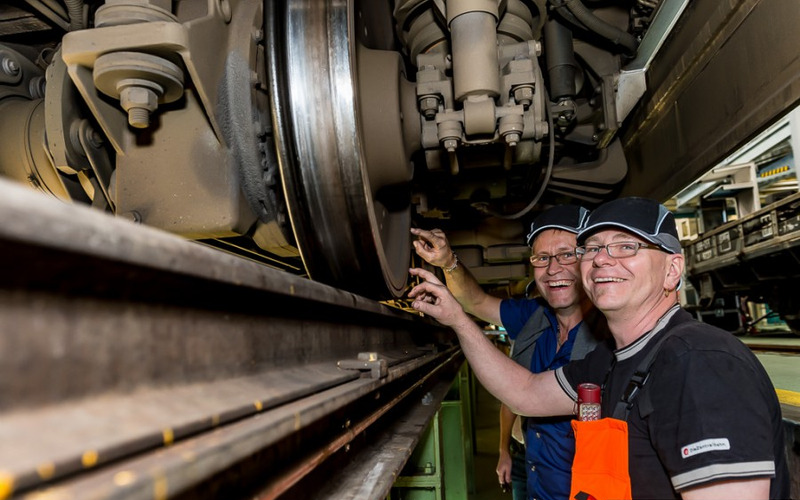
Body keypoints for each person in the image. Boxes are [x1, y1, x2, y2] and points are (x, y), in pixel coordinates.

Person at [408, 197, 790, 499]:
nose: (603, 258)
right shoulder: (608, 361)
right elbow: (524, 393)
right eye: (592, 248)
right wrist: (458, 319)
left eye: (626, 246)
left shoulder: (698, 364)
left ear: (673, 270)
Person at [410, 204, 607, 500]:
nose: (553, 269)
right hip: (538, 488)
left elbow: (524, 395)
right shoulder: (534, 316)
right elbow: (476, 301)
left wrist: (458, 321)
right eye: (542, 258)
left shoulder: (610, 338)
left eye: (567, 255)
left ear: (589, 258)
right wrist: (448, 261)